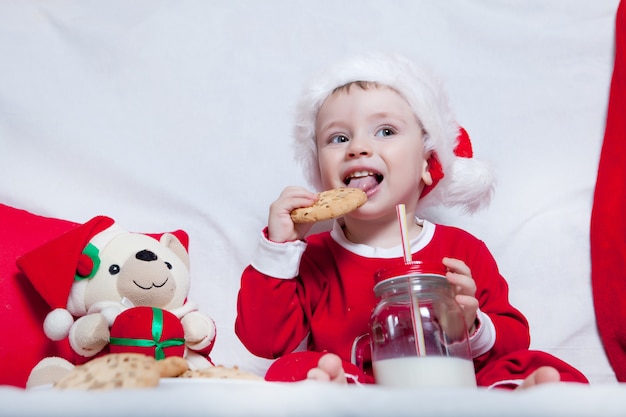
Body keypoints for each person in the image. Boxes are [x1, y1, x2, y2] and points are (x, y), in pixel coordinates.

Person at [235, 53, 588, 389]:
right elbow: (266, 342)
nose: (357, 147)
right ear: (320, 172)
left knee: (539, 363)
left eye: (385, 131)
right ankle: (337, 394)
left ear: (426, 163)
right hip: (360, 394)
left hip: (455, 390)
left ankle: (525, 397)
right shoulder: (311, 257)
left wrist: (471, 323)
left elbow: (514, 340)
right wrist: (279, 249)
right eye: (338, 138)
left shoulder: (462, 251)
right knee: (293, 368)